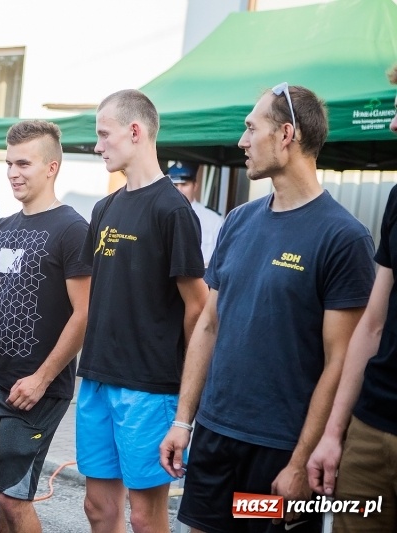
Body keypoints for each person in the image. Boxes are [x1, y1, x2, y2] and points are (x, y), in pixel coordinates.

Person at [159, 84, 375, 533]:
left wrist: (301, 461)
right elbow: (209, 326)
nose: (242, 141)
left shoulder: (344, 238)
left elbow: (340, 362)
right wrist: (184, 420)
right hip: (216, 439)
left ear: (286, 135)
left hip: (277, 453)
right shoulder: (238, 220)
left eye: (250, 128)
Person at [76, 89, 207, 533]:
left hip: (149, 389)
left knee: (145, 516)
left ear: (135, 132)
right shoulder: (105, 207)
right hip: (97, 379)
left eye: (103, 135)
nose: (98, 146)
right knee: (97, 507)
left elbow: (199, 306)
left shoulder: (173, 209)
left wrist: (185, 391)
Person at [0, 119, 91, 533]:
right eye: (8, 164)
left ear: (51, 166)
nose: (13, 173)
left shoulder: (72, 229)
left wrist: (41, 378)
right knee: (4, 495)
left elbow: (85, 313)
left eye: (23, 163)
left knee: (14, 496)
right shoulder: (0, 229)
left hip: (38, 389)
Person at [306, 65, 397, 533]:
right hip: (371, 423)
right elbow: (372, 324)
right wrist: (335, 434)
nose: (395, 123)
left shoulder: (343, 233)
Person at [167, 161, 224, 266]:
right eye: (175, 185)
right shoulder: (159, 215)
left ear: (195, 186)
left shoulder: (213, 219)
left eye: (184, 184)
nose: (179, 190)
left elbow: (222, 258)